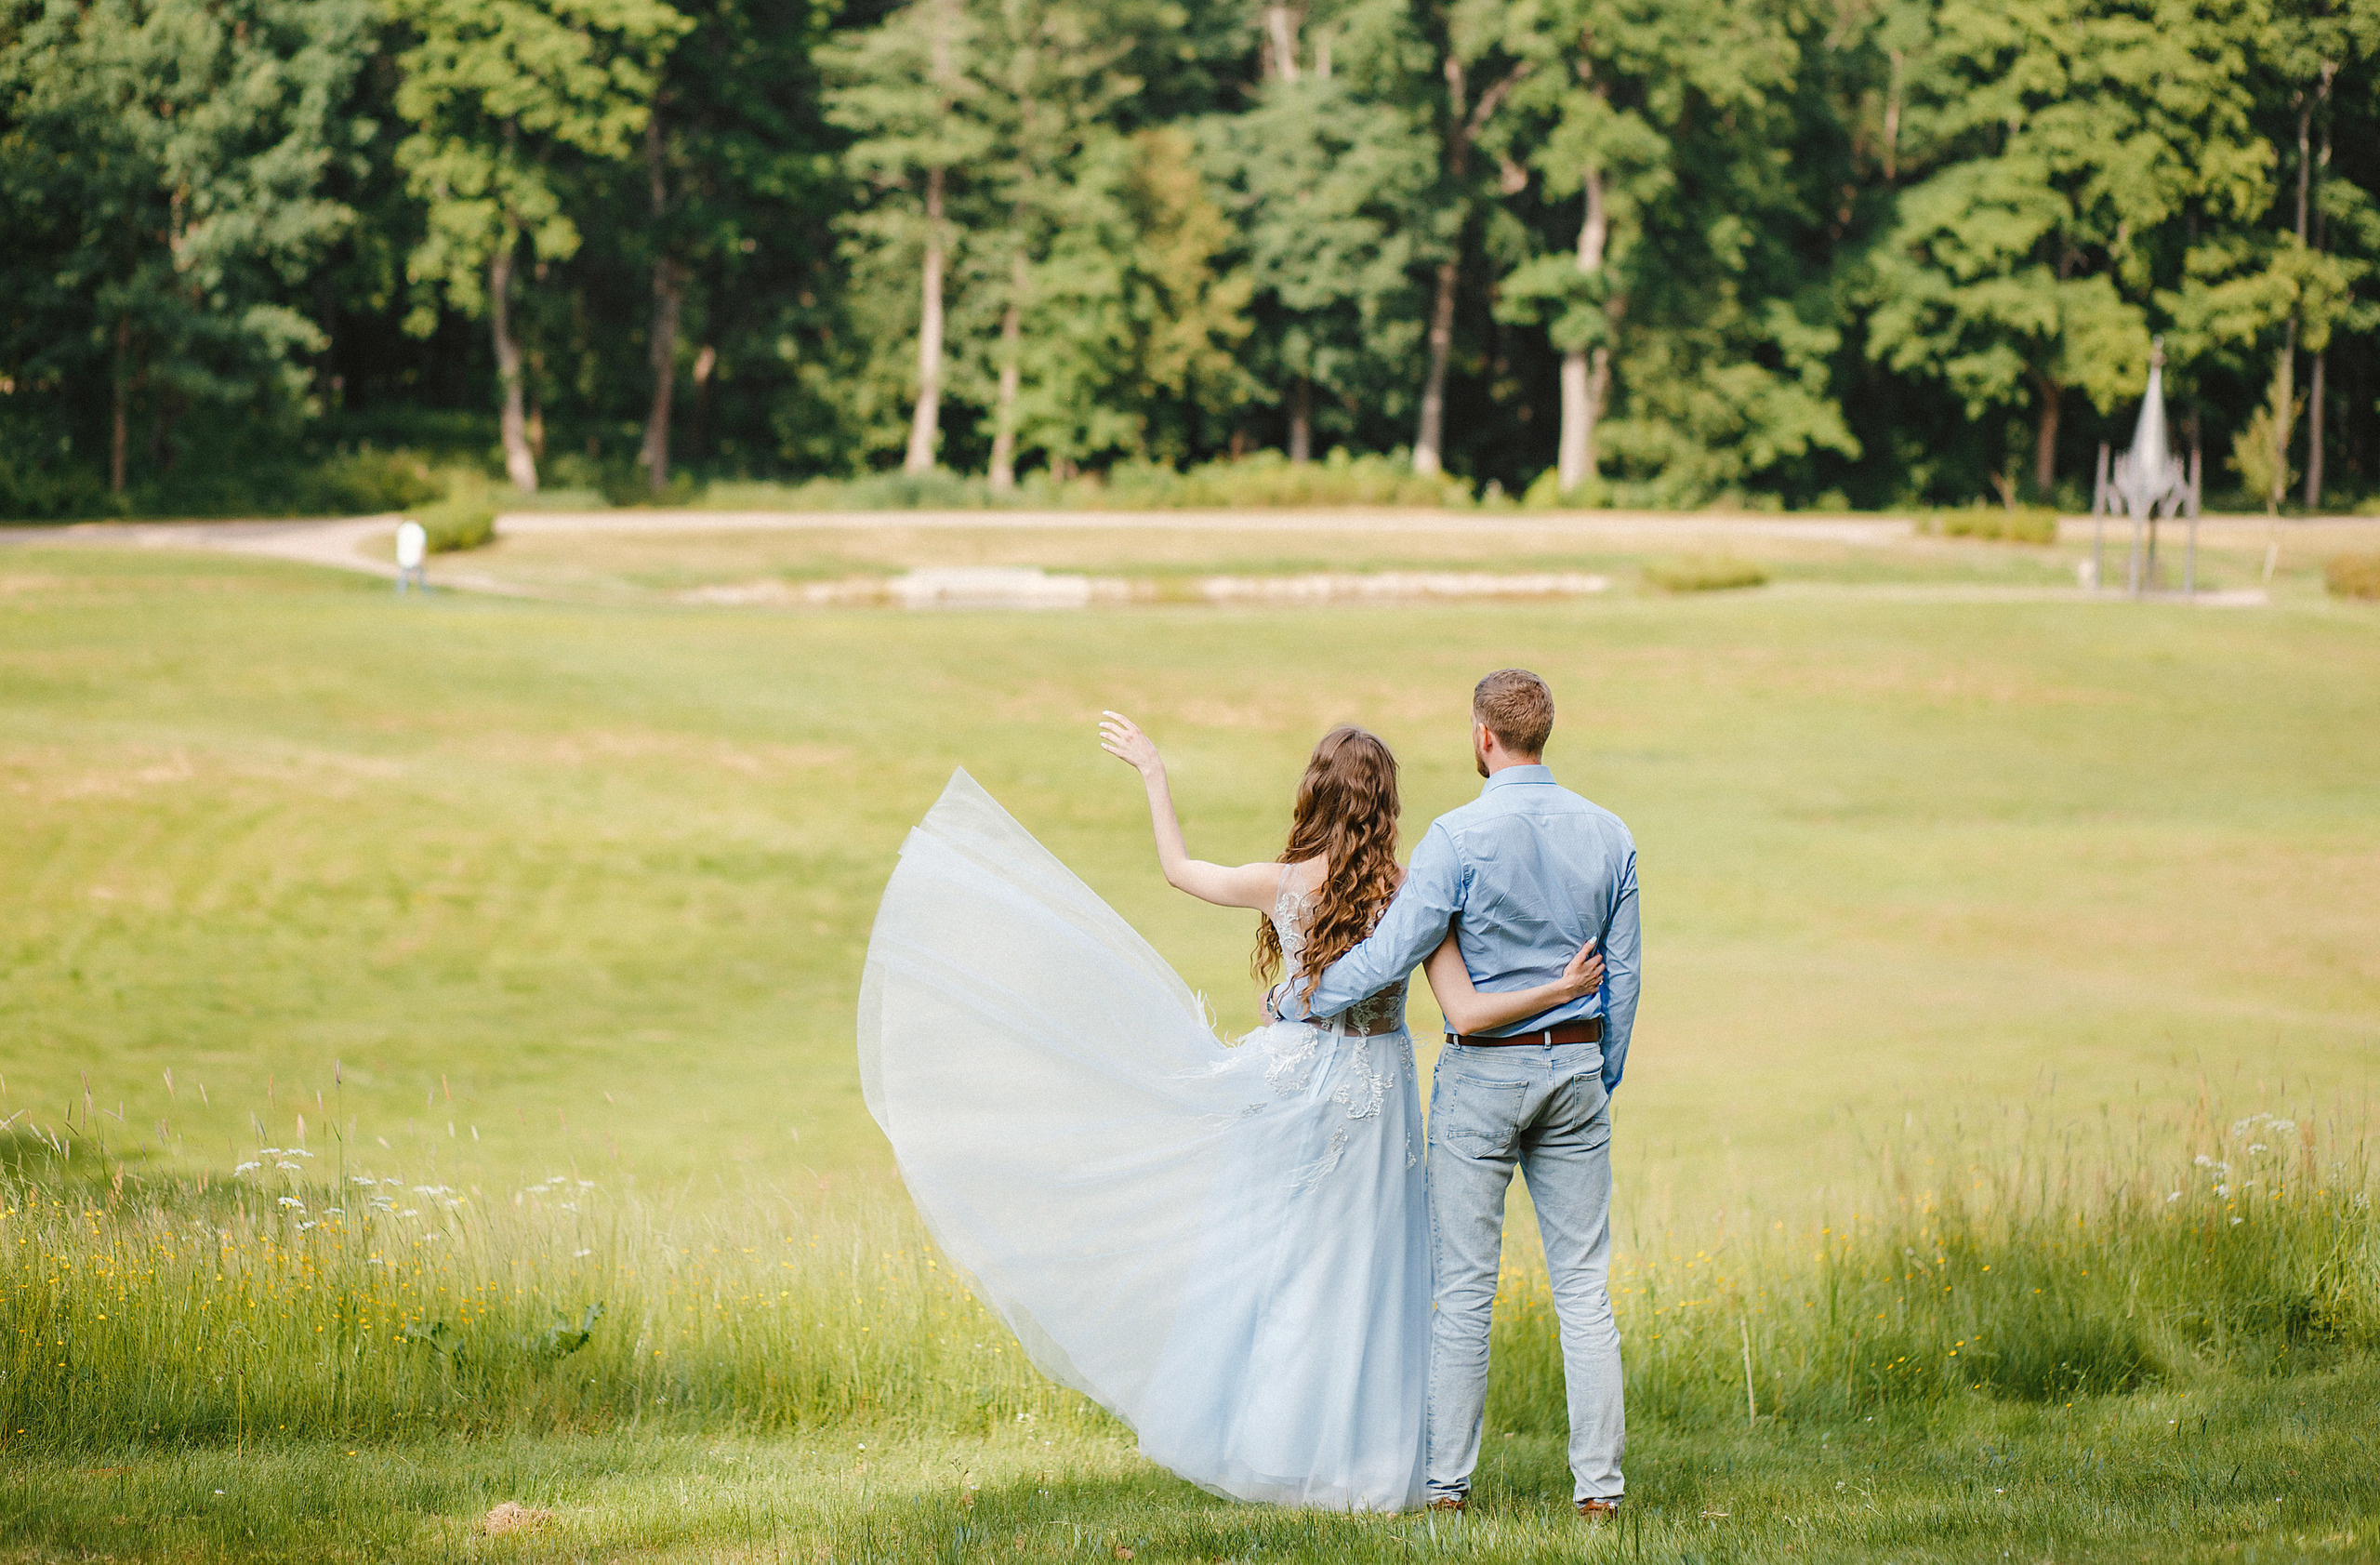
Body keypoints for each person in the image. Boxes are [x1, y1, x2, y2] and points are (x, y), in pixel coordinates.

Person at [857, 718, 1599, 1511]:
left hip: (1297, 1077)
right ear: (1385, 803)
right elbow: (1467, 1009)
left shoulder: (1283, 884)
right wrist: (1558, 991)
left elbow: (1180, 870)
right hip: (1377, 1094)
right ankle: (1362, 1458)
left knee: (1289, 1268)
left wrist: (1154, 772)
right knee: (1367, 1273)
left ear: (1315, 794)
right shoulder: (1413, 890)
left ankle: (1278, 1449)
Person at [1276, 668, 1640, 1522]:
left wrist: (1302, 997)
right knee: (1584, 1288)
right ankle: (1599, 1492)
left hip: (1482, 1075)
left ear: (1484, 735)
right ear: (1540, 734)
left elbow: (1388, 956)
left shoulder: (1456, 837)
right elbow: (1621, 976)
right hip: (1576, 1066)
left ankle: (1446, 1490)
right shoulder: (1610, 833)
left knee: (1466, 1292)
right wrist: (1598, 1069)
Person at [394, 519, 429, 594]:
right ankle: (427, 593)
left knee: (405, 576)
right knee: (419, 577)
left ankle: (400, 592)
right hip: (414, 558)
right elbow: (422, 546)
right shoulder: (418, 531)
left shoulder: (404, 529)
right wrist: (422, 559)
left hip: (406, 558)